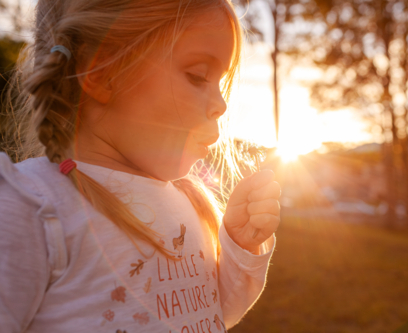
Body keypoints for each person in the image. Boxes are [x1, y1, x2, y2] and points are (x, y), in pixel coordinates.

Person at [0, 0, 281, 332]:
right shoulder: (31, 206)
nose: (221, 104)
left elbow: (210, 311)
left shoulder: (188, 200)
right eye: (197, 76)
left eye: (220, 84)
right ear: (102, 73)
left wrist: (239, 246)